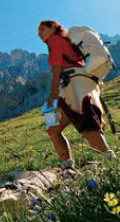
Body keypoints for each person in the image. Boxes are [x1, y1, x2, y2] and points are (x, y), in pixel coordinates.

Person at [38, 20, 116, 169]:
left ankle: (110, 159)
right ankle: (67, 166)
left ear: (53, 27)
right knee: (53, 130)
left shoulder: (55, 40)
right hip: (80, 82)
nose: (39, 34)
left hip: (73, 84)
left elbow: (57, 67)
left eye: (42, 29)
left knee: (86, 122)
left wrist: (53, 93)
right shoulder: (67, 42)